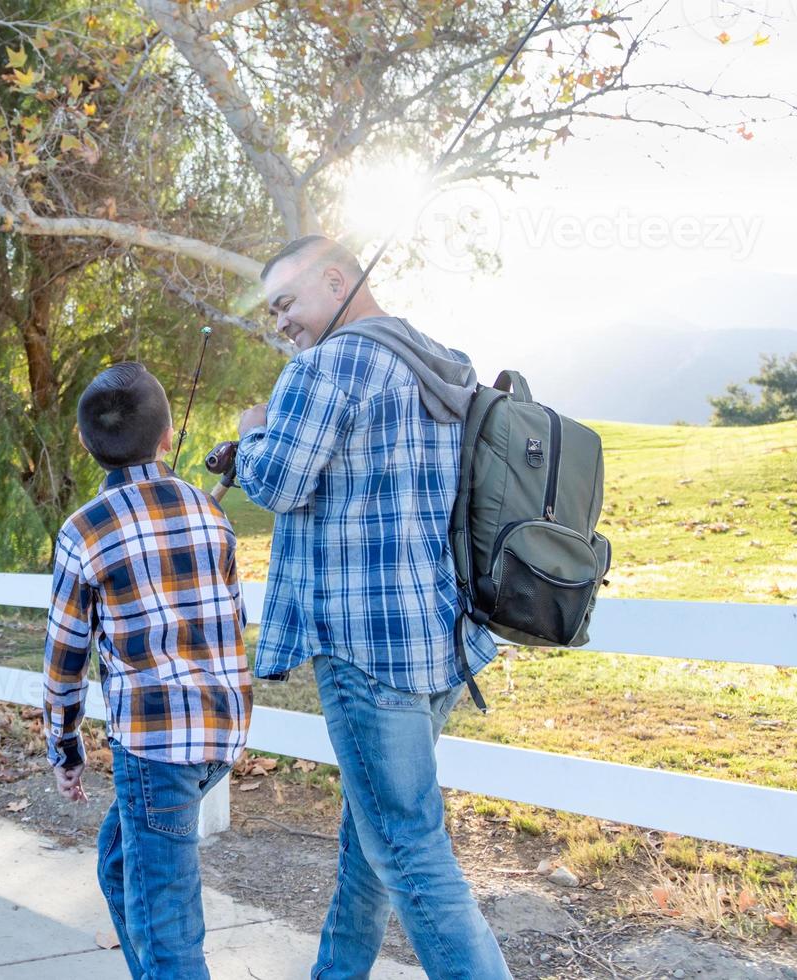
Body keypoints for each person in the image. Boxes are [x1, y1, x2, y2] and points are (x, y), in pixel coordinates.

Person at [237, 235, 512, 980]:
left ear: (335, 281)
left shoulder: (330, 363)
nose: (282, 324)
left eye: (287, 303)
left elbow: (278, 485)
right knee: (374, 842)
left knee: (412, 856)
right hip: (439, 641)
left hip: (366, 651)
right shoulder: (440, 360)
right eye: (272, 313)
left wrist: (252, 431)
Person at [42, 361, 251, 980]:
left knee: (166, 924)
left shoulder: (84, 531)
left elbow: (65, 659)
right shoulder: (212, 516)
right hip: (221, 734)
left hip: (156, 748)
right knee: (118, 862)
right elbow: (231, 618)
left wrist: (65, 748)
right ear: (167, 439)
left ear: (85, 445)